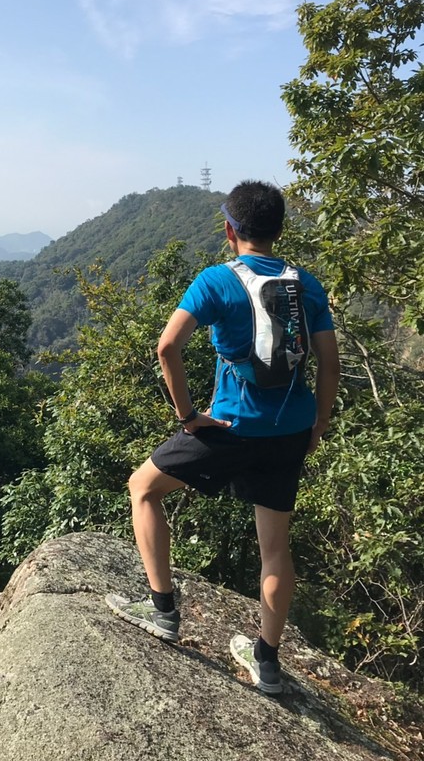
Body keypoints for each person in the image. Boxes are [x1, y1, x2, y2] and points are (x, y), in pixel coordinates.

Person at [106, 180, 340, 695]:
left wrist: (189, 416)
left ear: (229, 230)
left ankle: (163, 609)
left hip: (230, 427)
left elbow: (168, 347)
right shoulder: (308, 284)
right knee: (275, 549)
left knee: (142, 488)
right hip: (291, 429)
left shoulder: (216, 280)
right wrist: (317, 424)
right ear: (278, 230)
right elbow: (330, 365)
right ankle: (267, 662)